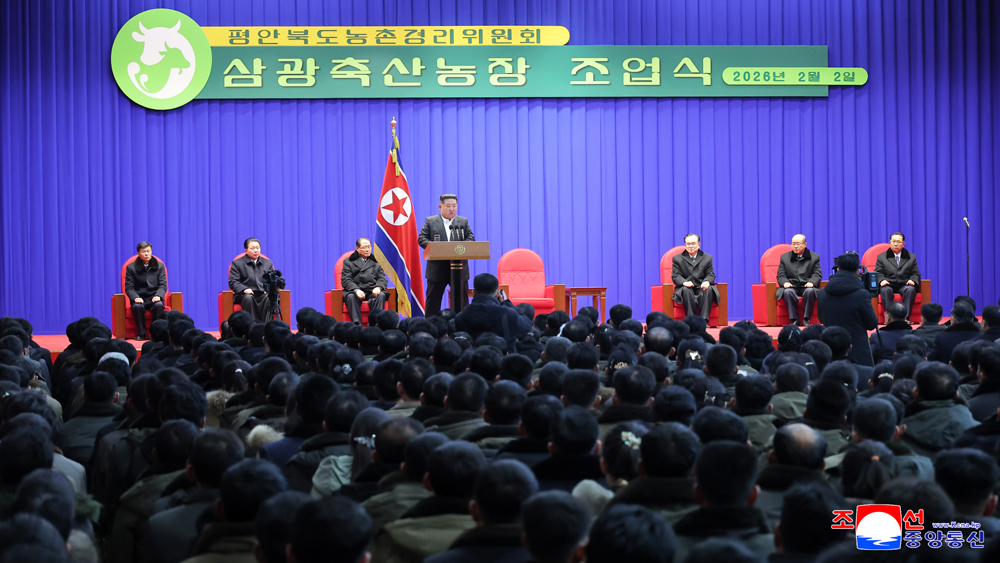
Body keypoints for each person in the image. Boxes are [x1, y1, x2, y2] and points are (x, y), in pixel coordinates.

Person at [816, 252, 879, 366]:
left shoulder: (821, 293)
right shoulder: (862, 294)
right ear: (857, 271)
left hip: (831, 352)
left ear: (838, 269)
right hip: (858, 353)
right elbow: (872, 324)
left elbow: (821, 319)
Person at [418, 194, 475, 316]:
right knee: (433, 302)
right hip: (437, 268)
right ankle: (431, 326)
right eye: (448, 206)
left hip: (459, 267)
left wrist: (460, 248)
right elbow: (422, 239)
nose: (452, 209)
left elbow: (471, 238)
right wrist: (436, 248)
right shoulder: (431, 221)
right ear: (440, 206)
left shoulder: (463, 221)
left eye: (454, 206)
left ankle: (461, 325)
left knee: (462, 302)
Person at [454, 274, 532, 351]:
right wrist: (506, 302)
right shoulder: (509, 314)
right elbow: (527, 326)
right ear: (497, 294)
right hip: (502, 357)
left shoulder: (460, 317)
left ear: (473, 292)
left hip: (473, 357)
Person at [875, 232, 921, 323]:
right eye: (893, 241)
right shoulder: (881, 257)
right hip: (888, 283)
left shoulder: (911, 257)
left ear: (903, 244)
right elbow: (878, 272)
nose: (895, 244)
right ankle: (890, 318)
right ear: (890, 243)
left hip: (904, 284)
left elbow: (916, 273)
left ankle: (905, 319)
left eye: (898, 242)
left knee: (910, 289)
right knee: (885, 290)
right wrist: (882, 280)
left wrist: (912, 280)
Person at [776, 234, 822, 326]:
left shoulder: (814, 257)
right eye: (793, 244)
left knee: (810, 291)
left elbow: (817, 273)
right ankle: (795, 320)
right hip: (791, 285)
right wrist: (785, 282)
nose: (795, 246)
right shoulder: (784, 257)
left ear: (805, 244)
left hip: (807, 285)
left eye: (798, 244)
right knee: (788, 292)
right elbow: (780, 274)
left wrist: (812, 282)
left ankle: (806, 319)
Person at [125, 241, 167, 341]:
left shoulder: (159, 266)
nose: (147, 254)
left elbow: (163, 285)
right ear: (138, 254)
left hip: (154, 296)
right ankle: (141, 333)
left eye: (148, 251)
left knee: (158, 305)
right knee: (137, 307)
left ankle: (156, 334)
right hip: (140, 297)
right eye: (144, 252)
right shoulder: (131, 268)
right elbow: (129, 287)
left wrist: (158, 296)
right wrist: (135, 297)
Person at [671, 234, 719, 320]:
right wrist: (684, 282)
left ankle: (703, 320)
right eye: (688, 244)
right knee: (686, 289)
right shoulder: (677, 258)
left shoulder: (707, 258)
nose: (691, 246)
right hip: (685, 288)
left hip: (701, 286)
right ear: (685, 245)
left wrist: (707, 281)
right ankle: (692, 320)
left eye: (693, 243)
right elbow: (675, 275)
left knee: (709, 289)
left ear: (698, 245)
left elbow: (710, 274)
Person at [342, 237, 389, 326]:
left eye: (369, 247)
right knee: (350, 296)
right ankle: (356, 324)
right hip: (356, 291)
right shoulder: (348, 262)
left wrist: (378, 287)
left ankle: (375, 324)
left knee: (381, 295)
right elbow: (346, 279)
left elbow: (382, 278)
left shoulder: (377, 261)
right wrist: (356, 290)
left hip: (371, 290)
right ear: (357, 248)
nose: (367, 249)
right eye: (364, 247)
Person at [228, 238, 275, 323]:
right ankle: (251, 326)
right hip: (244, 295)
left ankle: (266, 326)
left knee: (269, 298)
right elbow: (233, 281)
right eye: (252, 248)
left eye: (257, 248)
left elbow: (272, 280)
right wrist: (244, 289)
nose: (256, 251)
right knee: (248, 298)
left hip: (262, 294)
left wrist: (268, 288)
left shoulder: (267, 263)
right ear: (246, 250)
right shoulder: (237, 263)